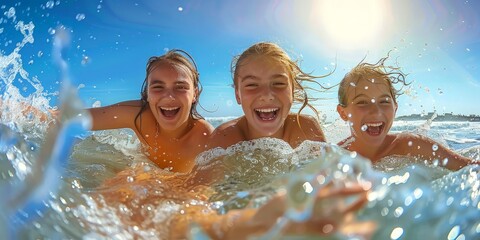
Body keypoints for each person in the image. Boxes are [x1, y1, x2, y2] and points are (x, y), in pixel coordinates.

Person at [336, 55, 476, 170]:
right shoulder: (334, 158)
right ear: (342, 113)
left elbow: (470, 168)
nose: (376, 111)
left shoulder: (411, 145)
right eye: (362, 102)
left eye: (384, 101)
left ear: (395, 108)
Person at [207, 42, 327, 149]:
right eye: (252, 85)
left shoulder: (305, 129)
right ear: (238, 95)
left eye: (278, 83)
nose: (266, 95)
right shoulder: (224, 140)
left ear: (292, 91)